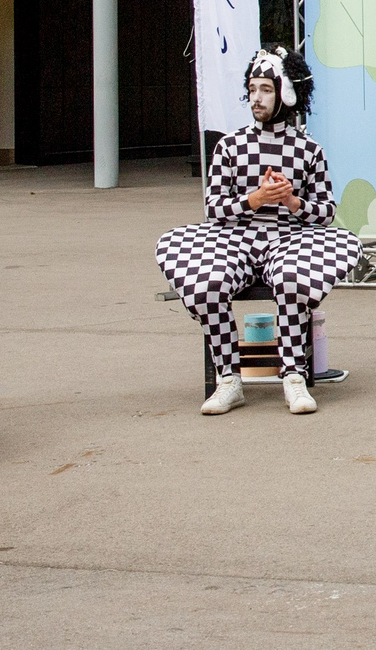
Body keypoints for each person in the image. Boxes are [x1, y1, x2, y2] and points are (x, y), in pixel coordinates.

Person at [155, 46, 362, 417]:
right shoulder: (230, 147)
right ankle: (229, 379)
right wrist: (255, 199)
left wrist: (292, 202)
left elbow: (327, 213)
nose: (256, 98)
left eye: (265, 89)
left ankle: (294, 377)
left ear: (286, 93)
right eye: (252, 89)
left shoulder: (309, 150)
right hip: (235, 240)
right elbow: (214, 210)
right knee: (211, 283)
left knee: (291, 277)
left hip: (291, 239)